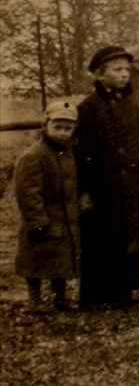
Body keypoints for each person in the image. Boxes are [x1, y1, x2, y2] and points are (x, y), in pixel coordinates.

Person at [75, 45, 139, 308]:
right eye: (117, 70)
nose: (124, 75)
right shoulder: (88, 108)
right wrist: (84, 191)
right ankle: (95, 296)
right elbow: (81, 153)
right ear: (100, 75)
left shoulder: (130, 106)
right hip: (103, 189)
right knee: (102, 239)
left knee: (129, 237)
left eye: (127, 70)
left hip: (130, 186)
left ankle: (123, 292)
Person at [14, 98, 83, 312]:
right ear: (45, 126)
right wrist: (36, 220)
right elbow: (27, 192)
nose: (62, 133)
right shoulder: (34, 155)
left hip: (63, 218)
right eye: (57, 127)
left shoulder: (68, 153)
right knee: (34, 262)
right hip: (41, 219)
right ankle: (34, 301)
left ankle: (60, 299)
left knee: (60, 261)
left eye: (67, 129)